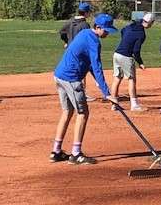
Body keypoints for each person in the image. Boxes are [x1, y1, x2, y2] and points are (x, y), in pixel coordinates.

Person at [50, 13, 118, 165]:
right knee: (83, 113)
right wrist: (107, 93)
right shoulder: (94, 41)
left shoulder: (84, 34)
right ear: (98, 27)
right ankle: (76, 153)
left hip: (59, 75)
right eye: (105, 30)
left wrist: (105, 91)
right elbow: (97, 66)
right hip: (71, 79)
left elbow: (91, 66)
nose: (107, 33)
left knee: (67, 111)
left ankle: (56, 151)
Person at [110, 12, 155, 112]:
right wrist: (141, 63)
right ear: (151, 23)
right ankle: (134, 105)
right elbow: (136, 51)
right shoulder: (141, 34)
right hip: (126, 57)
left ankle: (114, 104)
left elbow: (123, 31)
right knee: (131, 80)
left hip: (117, 54)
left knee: (117, 78)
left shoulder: (132, 25)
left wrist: (126, 42)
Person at [59, 2, 95, 101]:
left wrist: (66, 41)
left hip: (70, 50)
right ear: (86, 13)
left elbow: (61, 31)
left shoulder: (70, 21)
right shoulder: (84, 25)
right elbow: (88, 38)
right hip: (80, 52)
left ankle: (69, 92)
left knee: (70, 70)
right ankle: (81, 92)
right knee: (80, 71)